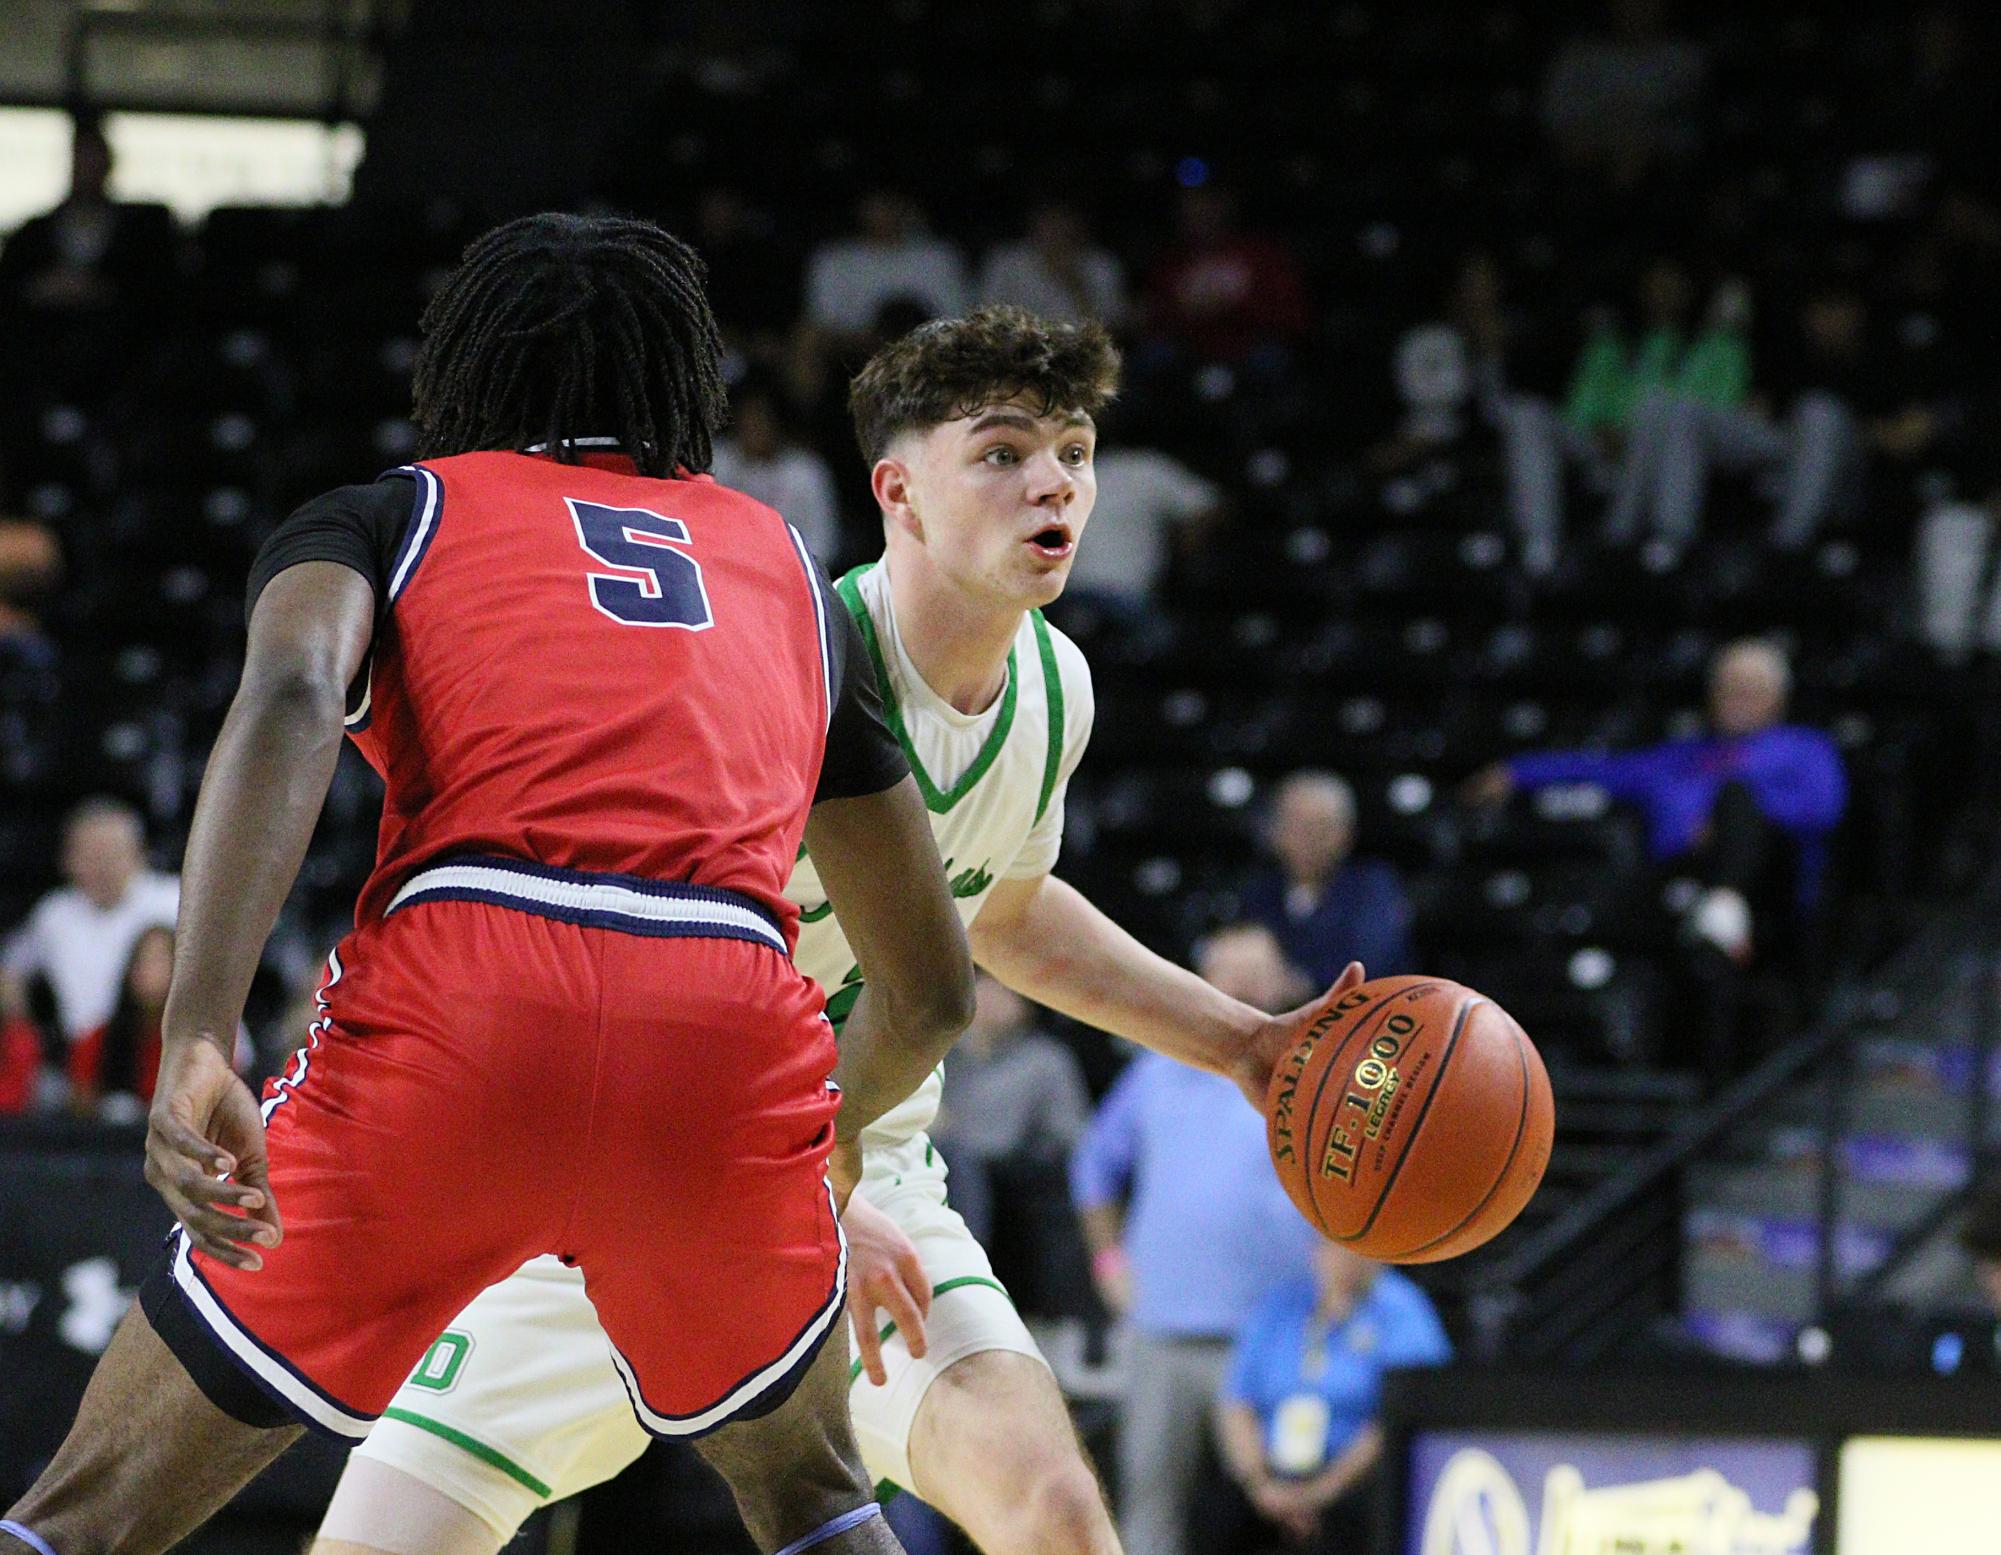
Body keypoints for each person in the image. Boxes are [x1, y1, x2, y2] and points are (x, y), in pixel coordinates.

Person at [1, 211, 981, 1555]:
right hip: (721, 1027)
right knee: (814, 1501)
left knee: (84, 1517)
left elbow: (291, 690)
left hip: (467, 985)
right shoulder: (796, 581)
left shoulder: (391, 512)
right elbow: (928, 991)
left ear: (466, 371)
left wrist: (196, 1032)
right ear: (677, 384)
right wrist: (820, 1148)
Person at [309, 306, 1350, 1555]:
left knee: (1055, 1510)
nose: (1052, 484)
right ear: (898, 491)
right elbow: (633, 964)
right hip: (632, 1166)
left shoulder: (1057, 686)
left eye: (1074, 451)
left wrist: (1237, 1041)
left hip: (869, 1182)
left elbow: (998, 910)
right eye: (1004, 453)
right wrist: (794, 1193)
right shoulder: (765, 665)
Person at [1072, 923, 1326, 1555]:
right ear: (1201, 981)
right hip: (1162, 1331)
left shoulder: (1313, 1075)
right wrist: (1108, 1259)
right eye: (1227, 971)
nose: (1240, 984)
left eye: (1254, 971)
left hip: (1274, 1332)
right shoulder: (1157, 1071)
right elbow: (1093, 1168)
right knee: (1149, 1511)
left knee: (1287, 1508)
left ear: (1284, 982)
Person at [1214, 1242, 1450, 1554]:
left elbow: (1400, 1418)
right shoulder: (1281, 1304)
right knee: (1214, 1510)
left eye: (1355, 1249)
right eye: (1333, 1247)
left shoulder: (1403, 1310)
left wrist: (1323, 1491)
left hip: (1355, 1482)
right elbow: (1237, 1402)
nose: (1344, 1259)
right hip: (1272, 1478)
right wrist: (1259, 1483)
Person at [4, 796, 180, 1044]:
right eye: (91, 856)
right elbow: (11, 970)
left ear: (140, 854)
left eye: (112, 854)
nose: (103, 867)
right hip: (92, 1063)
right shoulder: (55, 914)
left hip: (171, 1049)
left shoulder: (174, 901)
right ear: (67, 861)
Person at [932, 972, 1091, 1243]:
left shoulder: (1045, 1061)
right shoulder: (940, 1054)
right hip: (942, 1169)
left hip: (1013, 1184)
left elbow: (1072, 1138)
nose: (992, 997)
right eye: (985, 984)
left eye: (1005, 990)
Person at [1239, 772, 1415, 994]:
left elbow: (1370, 960)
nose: (1310, 841)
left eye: (1323, 828)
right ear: (1275, 832)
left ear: (1347, 834)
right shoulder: (1260, 892)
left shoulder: (1372, 886)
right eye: (1299, 827)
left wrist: (1296, 984)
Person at [1140, 185, 1310, 369]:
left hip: (1249, 349)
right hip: (1190, 352)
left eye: (1209, 205)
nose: (1202, 213)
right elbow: (1153, 314)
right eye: (1194, 205)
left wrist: (1233, 306)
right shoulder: (1171, 262)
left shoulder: (1261, 256)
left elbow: (1293, 315)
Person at [805, 191, 970, 342]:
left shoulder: (938, 256)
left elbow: (957, 316)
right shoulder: (835, 258)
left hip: (929, 344)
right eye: (876, 206)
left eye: (890, 204)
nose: (883, 214)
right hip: (859, 344)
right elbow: (823, 321)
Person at [710, 380, 844, 561]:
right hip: (727, 569)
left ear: (778, 423)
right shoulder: (717, 463)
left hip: (792, 574)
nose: (754, 428)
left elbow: (823, 541)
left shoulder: (806, 472)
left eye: (761, 420)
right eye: (748, 420)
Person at [66, 924, 174, 1121]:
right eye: (143, 961)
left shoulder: (197, 1047)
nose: (149, 971)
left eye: (160, 961)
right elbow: (77, 1102)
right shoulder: (97, 1040)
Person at [977, 203, 1130, 327]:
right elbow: (986, 315)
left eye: (1064, 219)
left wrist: (1076, 287)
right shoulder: (1006, 261)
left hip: (1080, 356)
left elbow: (1113, 330)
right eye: (1049, 219)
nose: (1056, 228)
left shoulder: (1102, 266)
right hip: (1017, 355)